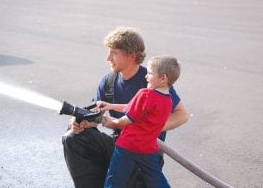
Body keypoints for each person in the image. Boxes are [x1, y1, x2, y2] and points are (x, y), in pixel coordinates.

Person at [62, 26, 189, 188]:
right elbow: (97, 115)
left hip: (144, 151)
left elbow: (182, 115)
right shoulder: (108, 82)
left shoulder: (152, 81)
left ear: (131, 54)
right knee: (72, 137)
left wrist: (150, 127)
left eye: (114, 53)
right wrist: (82, 121)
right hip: (120, 145)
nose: (108, 58)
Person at [102, 56, 181, 188]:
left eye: (150, 73)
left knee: (115, 179)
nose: (146, 76)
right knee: (156, 180)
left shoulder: (144, 94)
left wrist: (110, 122)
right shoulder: (168, 101)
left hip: (128, 146)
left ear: (163, 78)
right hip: (148, 149)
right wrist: (111, 106)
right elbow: (136, 108)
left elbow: (126, 120)